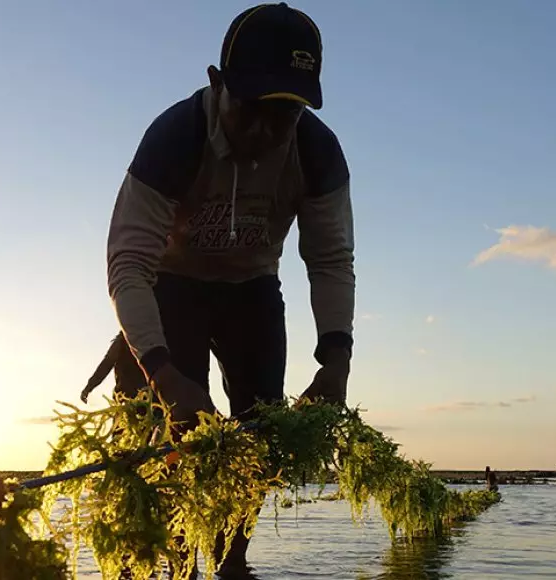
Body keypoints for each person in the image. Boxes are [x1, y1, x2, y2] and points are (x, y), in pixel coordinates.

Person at [105, 2, 355, 575]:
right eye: (254, 110)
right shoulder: (176, 137)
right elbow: (128, 263)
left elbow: (331, 260)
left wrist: (335, 360)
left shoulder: (317, 154)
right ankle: (167, 561)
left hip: (252, 291)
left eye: (286, 114)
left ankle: (231, 562)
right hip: (171, 286)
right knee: (163, 439)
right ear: (218, 84)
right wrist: (162, 370)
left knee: (255, 437)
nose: (268, 131)